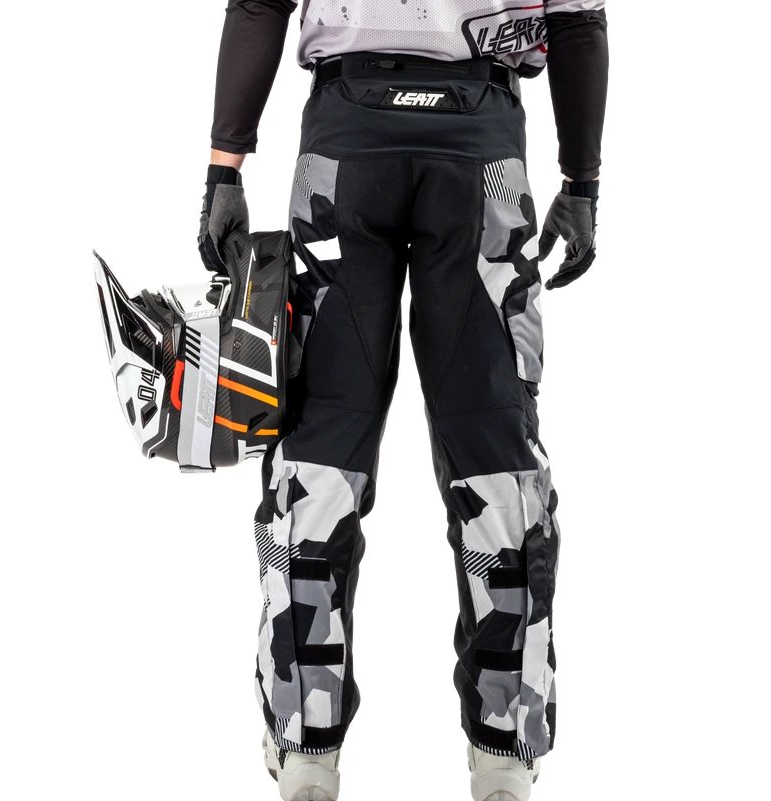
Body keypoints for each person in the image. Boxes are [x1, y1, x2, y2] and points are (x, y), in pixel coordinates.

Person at [198, 3, 608, 800]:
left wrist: (223, 169)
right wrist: (580, 186)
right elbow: (577, 23)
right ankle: (504, 747)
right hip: (479, 143)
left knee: (321, 440)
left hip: (345, 141)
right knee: (494, 444)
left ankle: (306, 744)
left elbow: (259, 5)